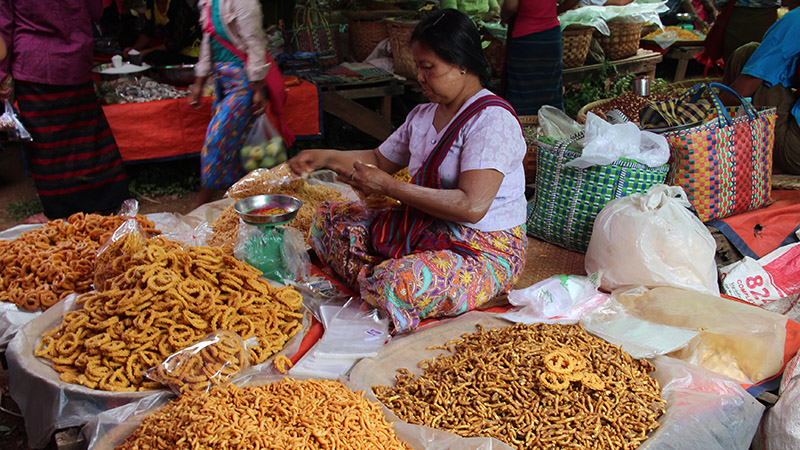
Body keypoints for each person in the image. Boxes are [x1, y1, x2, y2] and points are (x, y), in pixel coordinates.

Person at [288, 9, 528, 333]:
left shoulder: (491, 122)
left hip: (483, 248)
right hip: (426, 229)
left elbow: (472, 207)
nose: (420, 77)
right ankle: (385, 278)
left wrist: (388, 187)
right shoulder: (423, 114)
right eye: (418, 67)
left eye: (428, 67)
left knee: (398, 283)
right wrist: (324, 157)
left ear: (462, 63)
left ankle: (391, 279)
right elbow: (379, 158)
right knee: (327, 220)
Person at [0, 0, 131, 221]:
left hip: (36, 63)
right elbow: (96, 11)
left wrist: (2, 73)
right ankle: (107, 201)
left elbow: (3, 24)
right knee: (87, 138)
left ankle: (58, 212)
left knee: (49, 145)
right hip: (75, 59)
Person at [188, 0, 268, 206]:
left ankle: (202, 205)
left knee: (215, 143)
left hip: (243, 83)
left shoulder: (244, 3)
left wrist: (258, 88)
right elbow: (208, 44)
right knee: (234, 146)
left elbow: (255, 42)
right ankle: (239, 205)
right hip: (222, 82)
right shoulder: (208, 3)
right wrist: (199, 83)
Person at [722, 0, 800, 174]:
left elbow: (739, 92)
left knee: (747, 54)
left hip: (796, 152)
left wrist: (700, 111)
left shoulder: (795, 21)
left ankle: (726, 147)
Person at [502, 0, 565, 115]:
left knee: (522, 92)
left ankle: (522, 128)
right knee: (551, 92)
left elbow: (510, 7)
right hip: (552, 37)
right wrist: (556, 10)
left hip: (526, 38)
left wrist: (503, 17)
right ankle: (553, 128)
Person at [123, 0, 202, 66]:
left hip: (190, 53)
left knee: (156, 56)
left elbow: (175, 43)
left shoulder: (177, 5)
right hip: (172, 50)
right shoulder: (152, 4)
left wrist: (146, 52)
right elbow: (148, 32)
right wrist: (134, 49)